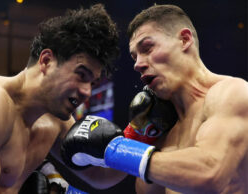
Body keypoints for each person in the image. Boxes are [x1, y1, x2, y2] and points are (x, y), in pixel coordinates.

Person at [61, 4, 248, 194]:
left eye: (147, 48)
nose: (138, 64)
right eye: (134, 57)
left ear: (184, 40)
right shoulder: (160, 127)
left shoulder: (231, 93)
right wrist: (138, 137)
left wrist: (117, 148)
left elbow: (210, 174)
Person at [0, 4, 121, 194]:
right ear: (46, 61)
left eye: (92, 83)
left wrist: (145, 131)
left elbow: (99, 176)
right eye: (81, 75)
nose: (87, 92)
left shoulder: (54, 121)